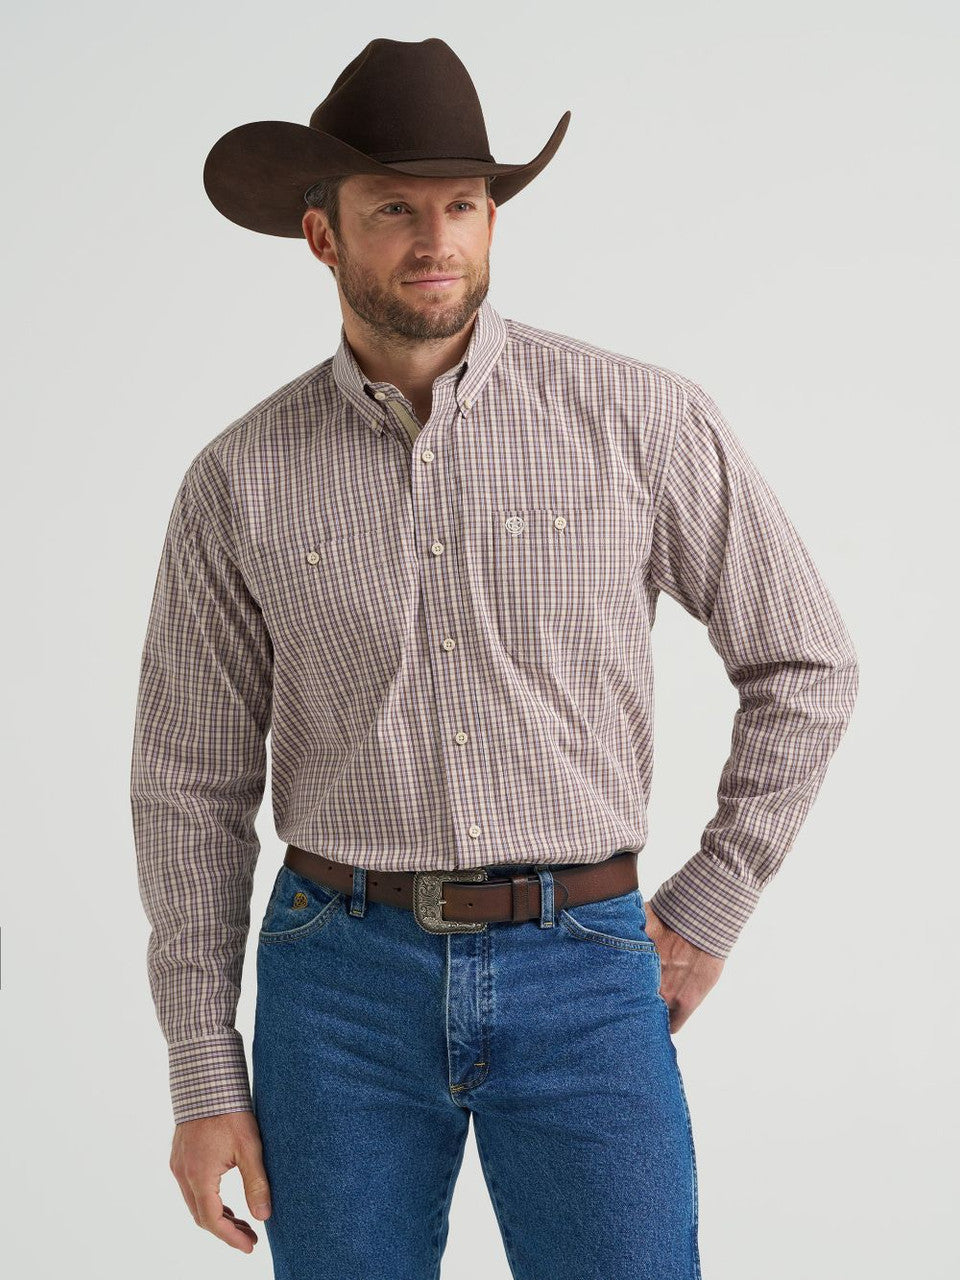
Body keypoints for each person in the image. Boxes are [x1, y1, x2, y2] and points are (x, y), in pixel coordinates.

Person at [130, 36, 859, 1280]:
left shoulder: (640, 421)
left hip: (586, 971)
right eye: (397, 208)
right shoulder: (238, 481)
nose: (438, 238)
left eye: (464, 204)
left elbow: (806, 662)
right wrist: (206, 1075)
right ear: (324, 236)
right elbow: (187, 787)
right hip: (337, 986)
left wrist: (713, 896)